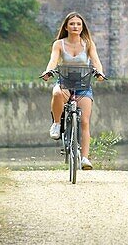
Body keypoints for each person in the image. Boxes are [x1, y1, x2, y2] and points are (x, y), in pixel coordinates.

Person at [40, 11, 106, 170]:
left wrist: (100, 72)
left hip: (83, 85)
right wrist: (48, 72)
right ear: (66, 27)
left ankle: (84, 158)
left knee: (84, 121)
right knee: (56, 93)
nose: (75, 26)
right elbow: (53, 61)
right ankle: (56, 124)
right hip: (65, 83)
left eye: (78, 24)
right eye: (72, 24)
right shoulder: (59, 44)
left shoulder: (88, 43)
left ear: (82, 27)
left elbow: (96, 61)